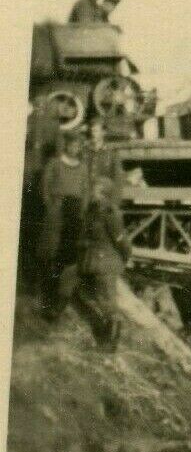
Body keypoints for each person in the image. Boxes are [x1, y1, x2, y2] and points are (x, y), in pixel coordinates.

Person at [65, 177, 130, 350]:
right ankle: (101, 333)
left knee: (108, 304)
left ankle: (109, 345)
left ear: (104, 193)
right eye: (93, 188)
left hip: (105, 264)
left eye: (96, 189)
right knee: (79, 295)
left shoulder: (111, 213)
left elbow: (122, 242)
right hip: (90, 263)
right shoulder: (91, 211)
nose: (92, 192)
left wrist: (123, 258)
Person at [38, 129, 90, 315]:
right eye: (72, 144)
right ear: (66, 145)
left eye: (78, 145)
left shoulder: (83, 167)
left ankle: (60, 300)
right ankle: (47, 296)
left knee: (68, 255)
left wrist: (81, 211)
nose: (75, 148)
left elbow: (85, 191)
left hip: (74, 211)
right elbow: (45, 186)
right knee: (51, 252)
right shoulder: (55, 163)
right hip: (57, 208)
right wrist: (51, 205)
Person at [85, 118, 124, 193]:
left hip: (104, 193)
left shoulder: (111, 153)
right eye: (91, 131)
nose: (92, 134)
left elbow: (117, 177)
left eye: (95, 131)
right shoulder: (85, 151)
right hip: (87, 191)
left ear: (103, 132)